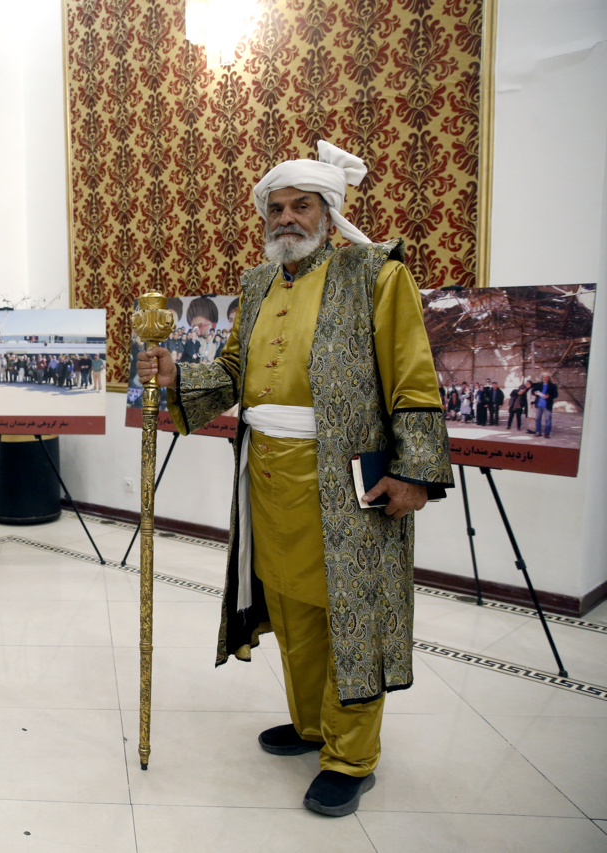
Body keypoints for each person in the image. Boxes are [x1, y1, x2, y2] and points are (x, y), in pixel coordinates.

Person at [136, 141, 452, 818]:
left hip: (348, 479)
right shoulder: (254, 285)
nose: (284, 217)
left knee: (349, 617)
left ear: (327, 212)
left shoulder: (375, 273)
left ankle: (351, 757)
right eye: (275, 208)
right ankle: (313, 726)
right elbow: (228, 374)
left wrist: (416, 472)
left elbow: (412, 374)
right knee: (291, 608)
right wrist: (175, 377)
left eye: (299, 205)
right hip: (267, 477)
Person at [530, 372, 558, 437]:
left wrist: (549, 397)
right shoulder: (538, 385)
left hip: (547, 405)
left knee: (548, 420)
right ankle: (538, 432)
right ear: (542, 378)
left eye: (547, 377)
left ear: (549, 378)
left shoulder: (553, 386)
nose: (545, 378)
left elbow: (556, 395)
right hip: (538, 405)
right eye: (544, 377)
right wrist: (535, 392)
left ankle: (547, 433)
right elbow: (532, 391)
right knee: (537, 419)